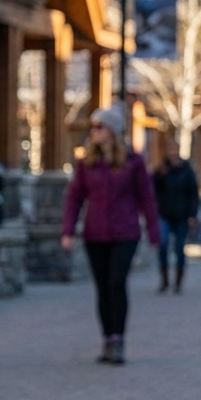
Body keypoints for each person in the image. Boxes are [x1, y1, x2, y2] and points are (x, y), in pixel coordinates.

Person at [61, 104, 161, 365]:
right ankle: (107, 338)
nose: (94, 131)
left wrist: (153, 232)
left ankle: (118, 339)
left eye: (99, 127)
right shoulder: (87, 163)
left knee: (117, 283)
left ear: (112, 131)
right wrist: (68, 230)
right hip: (95, 234)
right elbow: (75, 198)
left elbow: (146, 198)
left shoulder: (132, 162)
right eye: (92, 127)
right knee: (103, 287)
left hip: (125, 232)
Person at [152, 139, 200, 293]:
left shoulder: (186, 170)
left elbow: (194, 194)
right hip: (164, 214)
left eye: (174, 149)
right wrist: (159, 176)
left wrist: (192, 214)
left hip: (182, 215)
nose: (172, 153)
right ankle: (164, 279)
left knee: (179, 248)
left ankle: (178, 281)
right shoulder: (161, 169)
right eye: (170, 149)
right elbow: (151, 189)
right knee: (163, 245)